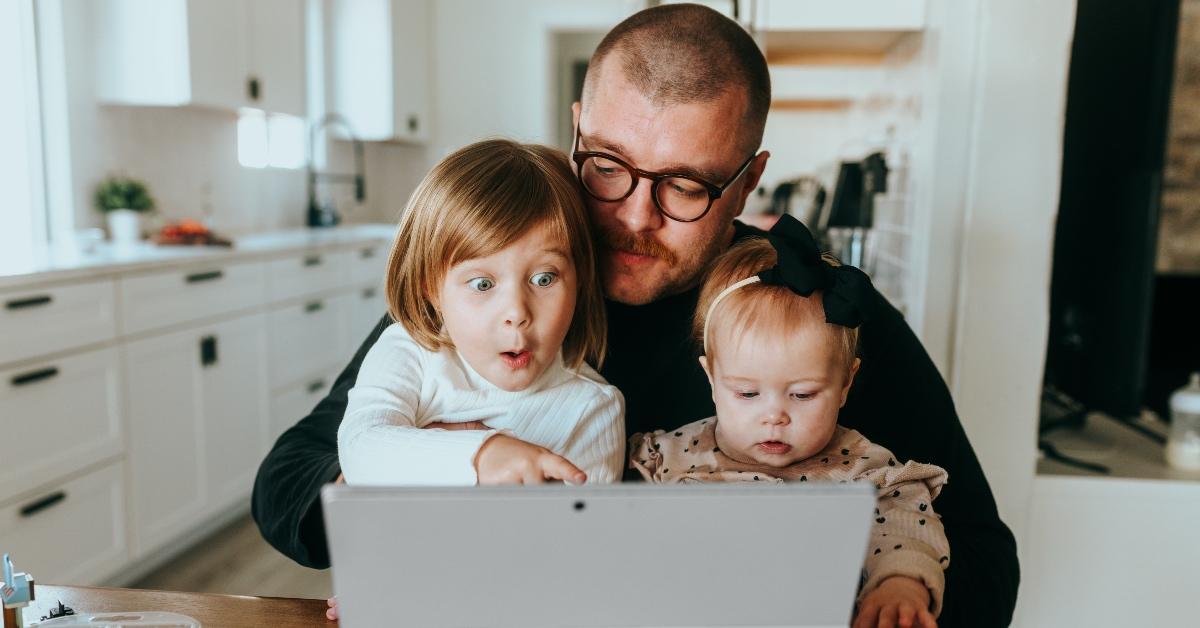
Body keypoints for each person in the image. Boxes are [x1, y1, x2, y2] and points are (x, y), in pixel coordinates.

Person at [253, 4, 1019, 626]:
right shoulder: (504, 287)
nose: (633, 218)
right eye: (608, 167)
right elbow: (287, 487)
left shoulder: (807, 308)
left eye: (685, 186)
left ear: (749, 181)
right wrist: (437, 473)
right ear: (578, 128)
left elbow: (984, 554)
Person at [629, 217, 948, 628]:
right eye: (746, 394)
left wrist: (900, 586)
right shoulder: (662, 458)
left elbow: (905, 533)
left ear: (845, 383)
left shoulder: (865, 474)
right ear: (712, 380)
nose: (774, 416)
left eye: (802, 395)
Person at [337, 139, 624, 487]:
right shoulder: (409, 353)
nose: (517, 313)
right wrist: (482, 455)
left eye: (544, 278)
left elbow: (580, 536)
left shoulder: (592, 409)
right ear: (432, 289)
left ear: (579, 281)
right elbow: (360, 448)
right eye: (483, 285)